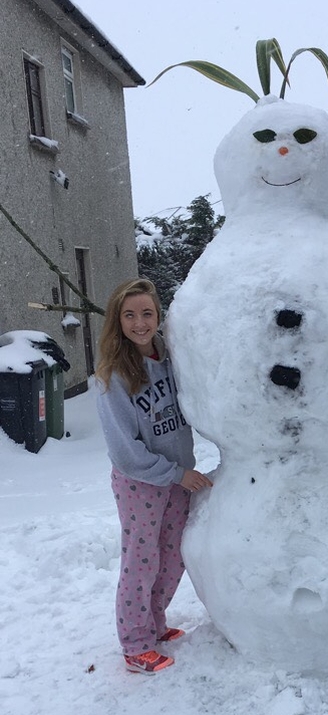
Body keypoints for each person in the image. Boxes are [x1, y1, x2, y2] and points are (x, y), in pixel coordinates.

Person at [95, 278, 212, 674]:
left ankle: (155, 624)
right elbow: (125, 453)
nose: (140, 323)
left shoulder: (168, 359)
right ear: (118, 320)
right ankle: (135, 643)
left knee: (172, 557)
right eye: (129, 315)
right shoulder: (114, 375)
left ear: (158, 316)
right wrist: (176, 474)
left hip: (178, 477)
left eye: (147, 313)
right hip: (142, 482)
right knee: (141, 561)